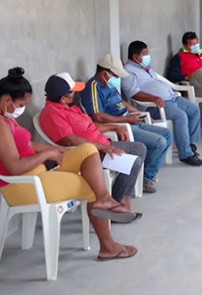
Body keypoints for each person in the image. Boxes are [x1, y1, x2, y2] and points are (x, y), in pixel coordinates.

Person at [0, 68, 137, 260]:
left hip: (36, 171)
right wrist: (47, 154)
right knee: (94, 186)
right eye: (22, 104)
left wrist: (59, 151)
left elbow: (26, 144)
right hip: (24, 183)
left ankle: (103, 198)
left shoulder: (2, 116)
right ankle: (108, 245)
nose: (23, 108)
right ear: (7, 100)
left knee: (89, 150)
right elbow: (14, 167)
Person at [39, 72, 146, 210]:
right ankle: (114, 204)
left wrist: (114, 127)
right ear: (63, 98)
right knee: (133, 163)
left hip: (102, 144)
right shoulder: (52, 114)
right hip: (89, 155)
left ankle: (122, 197)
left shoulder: (71, 108)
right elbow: (69, 140)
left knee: (139, 149)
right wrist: (101, 147)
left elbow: (91, 126)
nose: (75, 94)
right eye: (72, 92)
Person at [82, 54, 173, 194]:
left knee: (167, 134)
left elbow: (121, 102)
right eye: (115, 75)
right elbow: (97, 116)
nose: (117, 79)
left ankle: (145, 175)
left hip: (130, 120)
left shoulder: (108, 84)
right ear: (104, 73)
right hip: (122, 126)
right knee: (159, 142)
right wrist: (126, 120)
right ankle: (141, 177)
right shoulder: (93, 87)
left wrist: (137, 113)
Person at [123, 41, 202, 167]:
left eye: (147, 52)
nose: (147, 56)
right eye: (144, 53)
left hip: (172, 99)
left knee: (194, 110)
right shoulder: (128, 71)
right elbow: (133, 94)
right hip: (155, 105)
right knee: (180, 116)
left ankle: (189, 143)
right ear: (135, 57)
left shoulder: (145, 67)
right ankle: (186, 154)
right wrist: (154, 98)